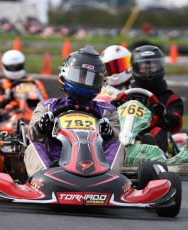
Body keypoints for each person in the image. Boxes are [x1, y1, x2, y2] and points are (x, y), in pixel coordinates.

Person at [23, 45, 125, 177]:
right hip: (56, 162)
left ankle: (108, 178)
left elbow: (114, 137)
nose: (83, 82)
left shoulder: (107, 111)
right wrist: (41, 128)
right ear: (66, 74)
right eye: (80, 76)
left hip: (96, 165)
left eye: (89, 79)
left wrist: (108, 134)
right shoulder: (47, 106)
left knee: (117, 145)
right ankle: (45, 179)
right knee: (34, 145)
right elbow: (32, 135)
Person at [115, 45, 184, 153]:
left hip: (154, 140)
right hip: (126, 134)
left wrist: (163, 115)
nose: (148, 72)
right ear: (135, 68)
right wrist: (113, 107)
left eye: (152, 67)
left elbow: (175, 124)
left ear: (161, 67)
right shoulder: (125, 96)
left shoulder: (170, 98)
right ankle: (112, 153)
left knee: (158, 131)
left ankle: (154, 157)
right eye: (144, 68)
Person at [0, 50, 48, 120]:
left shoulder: (34, 82)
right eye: (11, 67)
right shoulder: (0, 84)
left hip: (34, 110)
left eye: (18, 67)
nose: (15, 70)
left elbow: (45, 100)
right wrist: (9, 95)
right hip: (11, 113)